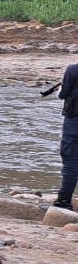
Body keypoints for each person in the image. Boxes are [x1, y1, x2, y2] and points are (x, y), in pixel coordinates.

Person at [54, 63, 78, 210]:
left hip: (74, 121)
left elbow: (62, 95)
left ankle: (63, 202)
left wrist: (61, 88)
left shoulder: (73, 69)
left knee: (71, 161)